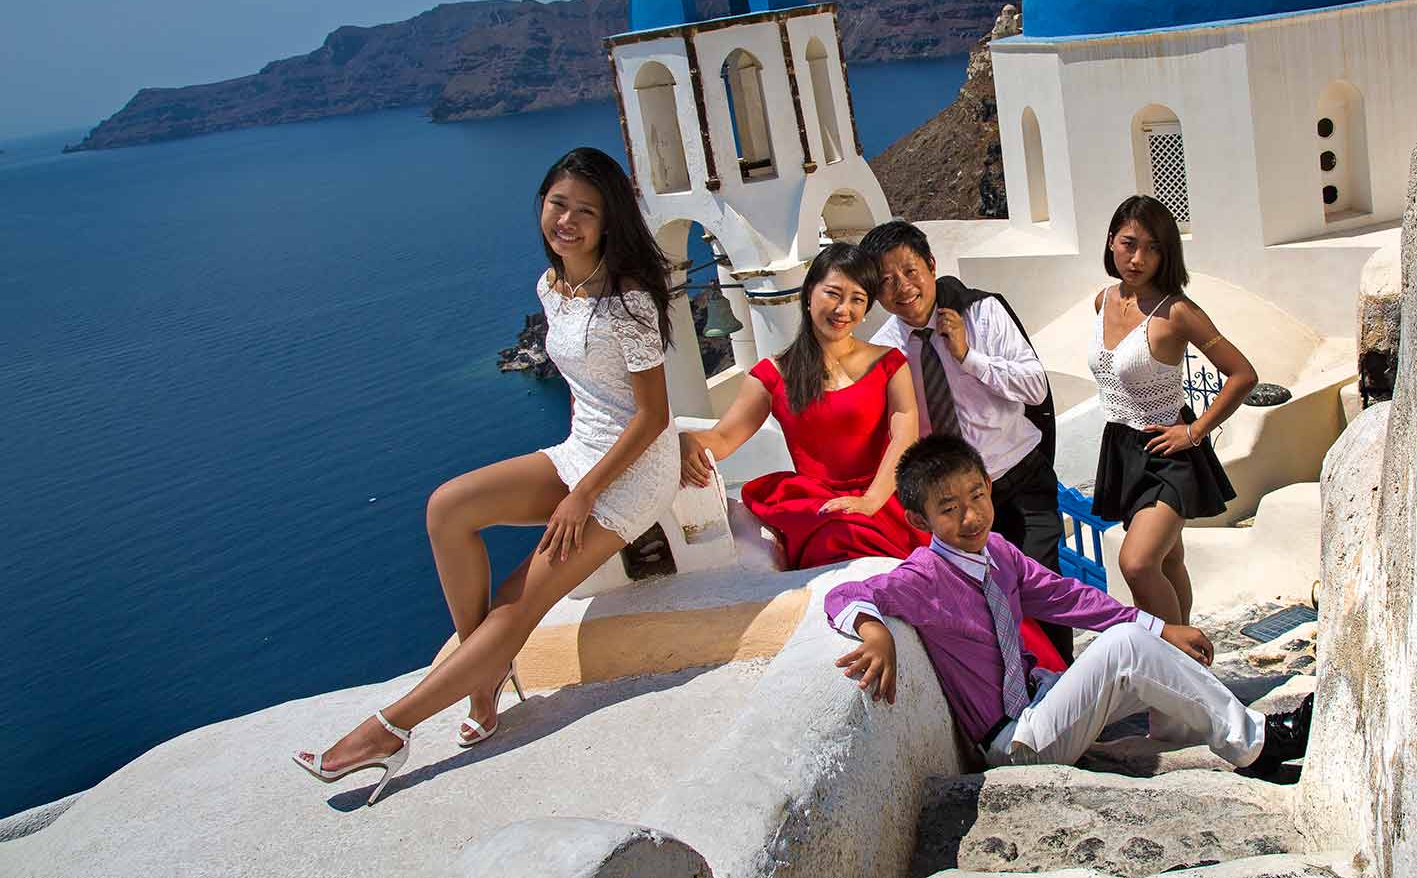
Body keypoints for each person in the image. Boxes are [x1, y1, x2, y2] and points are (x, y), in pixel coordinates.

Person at [293, 147, 686, 805]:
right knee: (448, 508)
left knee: (518, 599)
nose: (568, 220)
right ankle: (487, 671)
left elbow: (650, 418)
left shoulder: (630, 302)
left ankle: (388, 729)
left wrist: (584, 496)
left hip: (631, 472)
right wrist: (574, 478)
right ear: (541, 205)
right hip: (580, 450)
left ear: (609, 222)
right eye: (558, 204)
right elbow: (592, 393)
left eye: (586, 212)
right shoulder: (550, 286)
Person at [824, 435, 1311, 777]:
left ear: (989, 486)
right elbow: (842, 594)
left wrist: (1162, 629)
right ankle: (1260, 745)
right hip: (1016, 741)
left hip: (1044, 698)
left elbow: (1068, 597)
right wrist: (875, 631)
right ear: (919, 518)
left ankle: (1176, 733)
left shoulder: (998, 551)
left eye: (976, 495)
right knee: (1125, 647)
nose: (970, 516)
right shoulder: (924, 576)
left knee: (1144, 641)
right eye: (949, 509)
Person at [860, 219, 1073, 661]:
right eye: (886, 280)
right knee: (981, 606)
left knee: (1043, 590)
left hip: (1019, 479)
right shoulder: (884, 351)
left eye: (910, 271)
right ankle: (1017, 703)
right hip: (957, 503)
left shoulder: (983, 312)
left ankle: (1066, 694)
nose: (902, 287)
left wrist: (967, 357)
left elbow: (1035, 387)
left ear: (932, 266)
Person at [678, 243, 923, 569]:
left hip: (887, 500)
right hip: (825, 513)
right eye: (834, 294)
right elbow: (723, 438)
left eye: (857, 300)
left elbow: (905, 436)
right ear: (809, 295)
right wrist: (688, 440)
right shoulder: (773, 375)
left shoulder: (889, 364)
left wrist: (871, 501)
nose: (843, 309)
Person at [1089, 195, 1257, 626]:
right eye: (1129, 243)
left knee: (1138, 563)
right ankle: (1190, 669)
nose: (1138, 257)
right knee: (1168, 561)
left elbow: (1242, 374)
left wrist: (1195, 431)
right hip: (1123, 449)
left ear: (1167, 253)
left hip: (1169, 452)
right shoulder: (1101, 301)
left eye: (1153, 247)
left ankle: (1177, 660)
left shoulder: (1178, 312)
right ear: (1111, 242)